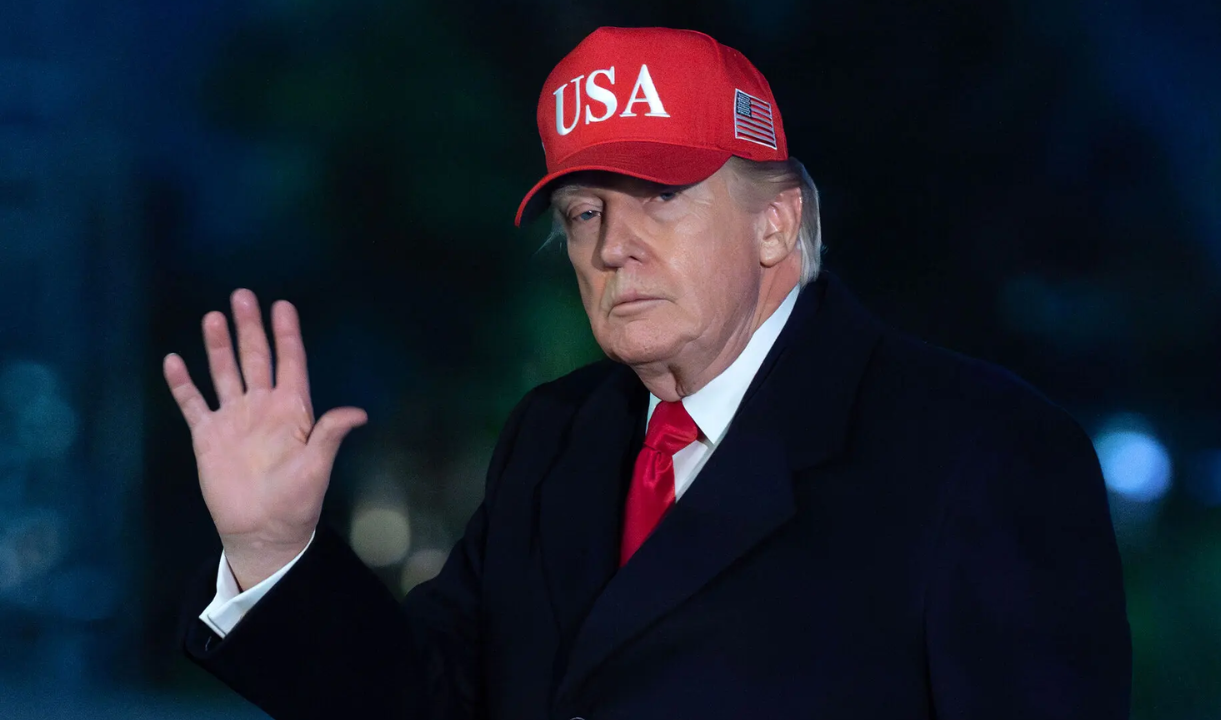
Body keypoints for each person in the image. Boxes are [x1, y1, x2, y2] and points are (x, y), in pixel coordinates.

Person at [165, 26, 1131, 720]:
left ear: (777, 221)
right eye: (585, 212)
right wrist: (274, 551)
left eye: (660, 196)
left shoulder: (979, 452)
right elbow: (427, 702)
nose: (611, 246)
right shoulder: (554, 438)